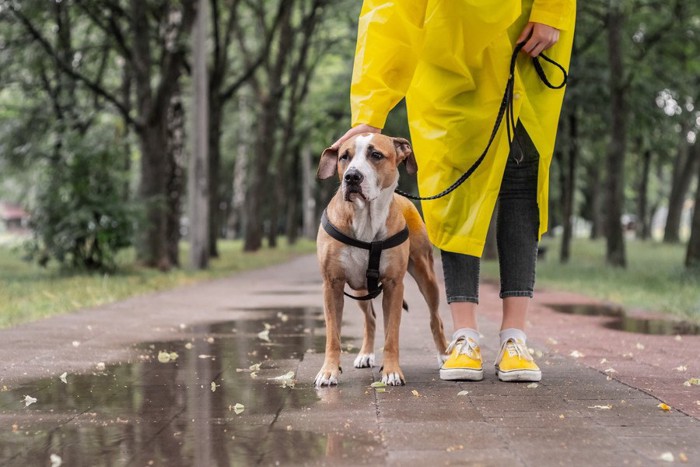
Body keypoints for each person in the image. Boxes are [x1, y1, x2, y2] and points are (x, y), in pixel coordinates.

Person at [331, 0, 576, 382]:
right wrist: (369, 111)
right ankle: (464, 336)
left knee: (520, 186)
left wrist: (552, 10)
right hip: (445, 58)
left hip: (523, 39)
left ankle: (515, 338)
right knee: (453, 194)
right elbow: (387, 11)